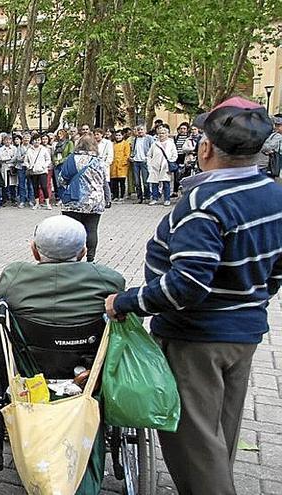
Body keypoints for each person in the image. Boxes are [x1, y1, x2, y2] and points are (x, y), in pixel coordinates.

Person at [105, 97, 282, 495]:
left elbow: (187, 285)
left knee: (195, 449)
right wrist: (249, 300)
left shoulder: (205, 204)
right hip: (244, 333)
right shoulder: (273, 194)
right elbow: (276, 271)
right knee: (219, 434)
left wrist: (126, 301)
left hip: (197, 338)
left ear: (205, 148)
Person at [0, 214, 124, 341]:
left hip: (28, 358)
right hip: (93, 357)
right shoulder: (109, 279)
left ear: (34, 251)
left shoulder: (14, 275)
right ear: (83, 252)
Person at [58, 136, 109, 262]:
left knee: (72, 231)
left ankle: (74, 257)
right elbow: (104, 181)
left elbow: (61, 179)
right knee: (92, 229)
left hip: (73, 201)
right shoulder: (99, 161)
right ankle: (91, 258)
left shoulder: (71, 159)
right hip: (94, 201)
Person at [147, 125, 178, 206]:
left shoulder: (171, 144)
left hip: (165, 166)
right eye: (160, 133)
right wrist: (150, 164)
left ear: (167, 134)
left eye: (163, 133)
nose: (161, 135)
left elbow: (175, 155)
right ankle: (154, 198)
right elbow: (149, 155)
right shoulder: (154, 144)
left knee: (166, 183)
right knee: (154, 183)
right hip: (155, 166)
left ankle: (167, 199)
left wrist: (170, 162)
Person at [24, 135, 52, 210]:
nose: (37, 141)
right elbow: (25, 161)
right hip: (33, 172)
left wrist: (44, 166)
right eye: (35, 140)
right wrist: (28, 166)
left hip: (42, 171)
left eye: (38, 140)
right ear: (32, 141)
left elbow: (48, 159)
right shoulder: (29, 150)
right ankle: (37, 203)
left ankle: (47, 203)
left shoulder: (44, 149)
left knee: (44, 187)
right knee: (35, 187)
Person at [129, 125, 154, 203]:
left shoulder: (149, 138)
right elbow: (133, 149)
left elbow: (152, 148)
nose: (140, 131)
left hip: (144, 161)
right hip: (136, 161)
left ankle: (147, 196)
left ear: (145, 130)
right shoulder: (135, 139)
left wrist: (148, 158)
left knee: (145, 181)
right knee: (137, 181)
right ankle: (139, 197)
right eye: (138, 130)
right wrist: (132, 156)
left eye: (142, 130)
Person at [109, 130, 132, 202]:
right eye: (117, 135)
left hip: (122, 166)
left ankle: (122, 196)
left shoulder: (126, 144)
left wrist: (123, 162)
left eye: (119, 135)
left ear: (123, 136)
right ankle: (115, 195)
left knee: (122, 182)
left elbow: (127, 154)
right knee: (114, 182)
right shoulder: (113, 144)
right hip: (114, 165)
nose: (118, 137)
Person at [95, 128, 114, 208]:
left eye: (98, 134)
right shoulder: (93, 143)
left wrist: (106, 164)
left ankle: (108, 200)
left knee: (105, 184)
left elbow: (110, 155)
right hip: (95, 165)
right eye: (95, 134)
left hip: (103, 165)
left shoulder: (107, 143)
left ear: (102, 135)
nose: (96, 136)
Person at [260, 115, 282, 182]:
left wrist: (261, 144)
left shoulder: (277, 136)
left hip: (269, 166)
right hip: (264, 165)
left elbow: (268, 147)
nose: (277, 127)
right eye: (276, 125)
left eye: (279, 125)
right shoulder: (271, 134)